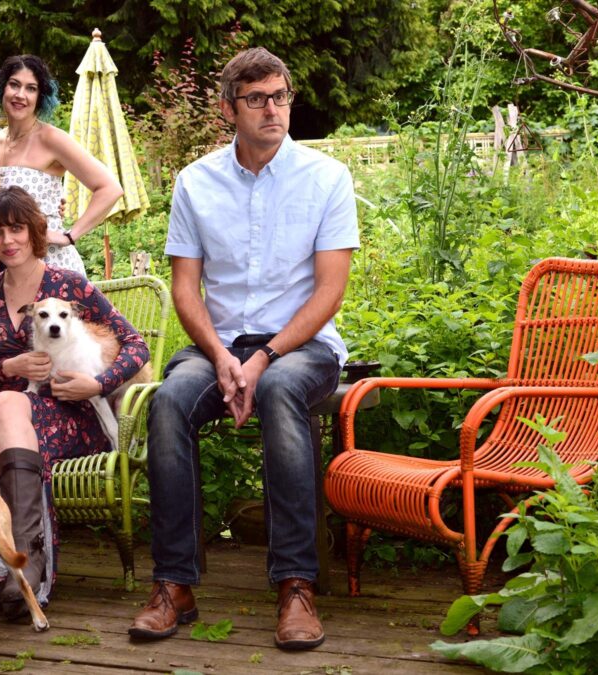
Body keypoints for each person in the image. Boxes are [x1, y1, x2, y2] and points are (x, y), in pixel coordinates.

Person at [127, 48, 359, 650]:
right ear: (229, 107)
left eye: (280, 96)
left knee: (281, 389)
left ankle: (295, 585)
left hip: (301, 346)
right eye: (257, 99)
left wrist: (262, 358)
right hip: (218, 343)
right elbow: (185, 290)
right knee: (170, 400)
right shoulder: (195, 182)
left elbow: (330, 292)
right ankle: (174, 584)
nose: (273, 109)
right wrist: (225, 357)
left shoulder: (326, 177)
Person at [0, 186, 149, 617]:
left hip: (78, 418)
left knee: (2, 406)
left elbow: (137, 346)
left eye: (17, 229)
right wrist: (10, 368)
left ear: (35, 232)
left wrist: (97, 385)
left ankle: (26, 557)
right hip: (14, 418)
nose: (8, 241)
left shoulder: (69, 286)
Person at [0, 54, 123, 277]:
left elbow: (110, 188)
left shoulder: (51, 139)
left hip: (49, 264)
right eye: (14, 85)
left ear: (40, 96)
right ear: (2, 88)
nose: (21, 95)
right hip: (0, 264)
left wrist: (69, 236)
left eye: (31, 88)